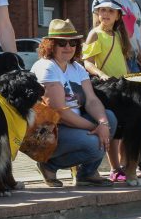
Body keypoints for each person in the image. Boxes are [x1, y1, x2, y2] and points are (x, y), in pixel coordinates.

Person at [30, 19, 115, 188]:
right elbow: (60, 113)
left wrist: (103, 123)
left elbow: (91, 100)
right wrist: (95, 128)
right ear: (50, 45)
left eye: (73, 42)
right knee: (94, 144)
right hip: (49, 130)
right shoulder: (47, 67)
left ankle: (86, 174)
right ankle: (48, 165)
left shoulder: (77, 67)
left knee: (110, 118)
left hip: (74, 124)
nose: (68, 47)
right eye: (62, 43)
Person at [83, 0, 130, 80]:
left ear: (118, 16)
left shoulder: (118, 34)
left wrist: (129, 77)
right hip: (107, 84)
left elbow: (123, 62)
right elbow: (88, 63)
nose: (106, 14)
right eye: (103, 10)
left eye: (111, 10)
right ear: (98, 13)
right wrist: (101, 75)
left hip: (122, 82)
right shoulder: (95, 34)